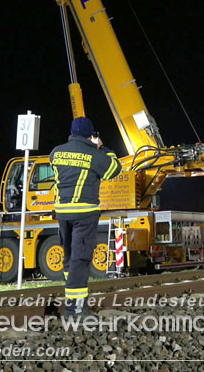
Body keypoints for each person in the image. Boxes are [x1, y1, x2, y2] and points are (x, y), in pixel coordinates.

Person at [51, 117, 121, 317]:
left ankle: (71, 293)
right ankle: (75, 309)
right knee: (80, 260)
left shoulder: (56, 152)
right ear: (91, 135)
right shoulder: (94, 154)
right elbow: (113, 170)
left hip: (63, 213)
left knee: (70, 258)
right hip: (84, 213)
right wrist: (103, 148)